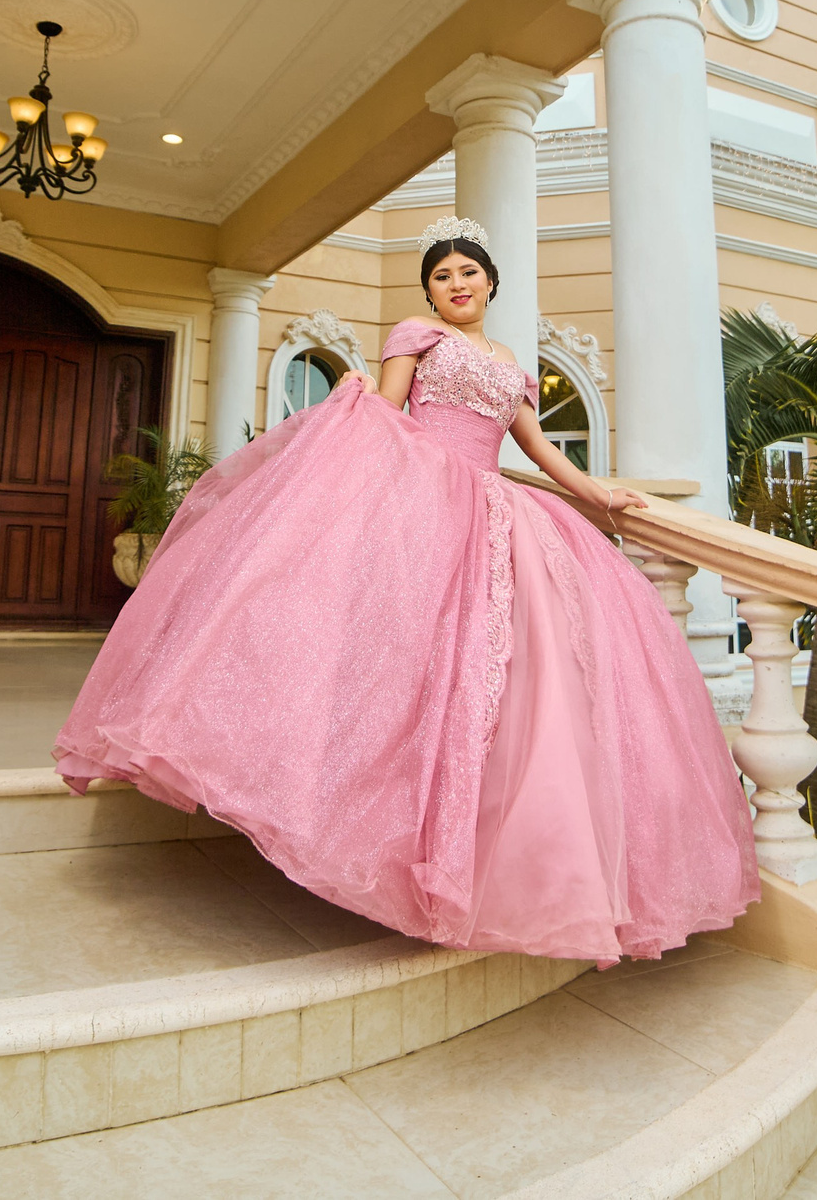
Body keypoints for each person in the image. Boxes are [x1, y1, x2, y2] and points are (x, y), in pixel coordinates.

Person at [55, 217, 759, 963]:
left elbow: (538, 445)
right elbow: (388, 416)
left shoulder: (513, 362)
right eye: (441, 276)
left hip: (498, 509)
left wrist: (599, 492)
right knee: (399, 660)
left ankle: (487, 847)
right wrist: (355, 395)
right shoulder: (417, 337)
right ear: (429, 292)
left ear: (491, 280)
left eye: (467, 273)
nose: (455, 285)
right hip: (426, 501)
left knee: (502, 679)